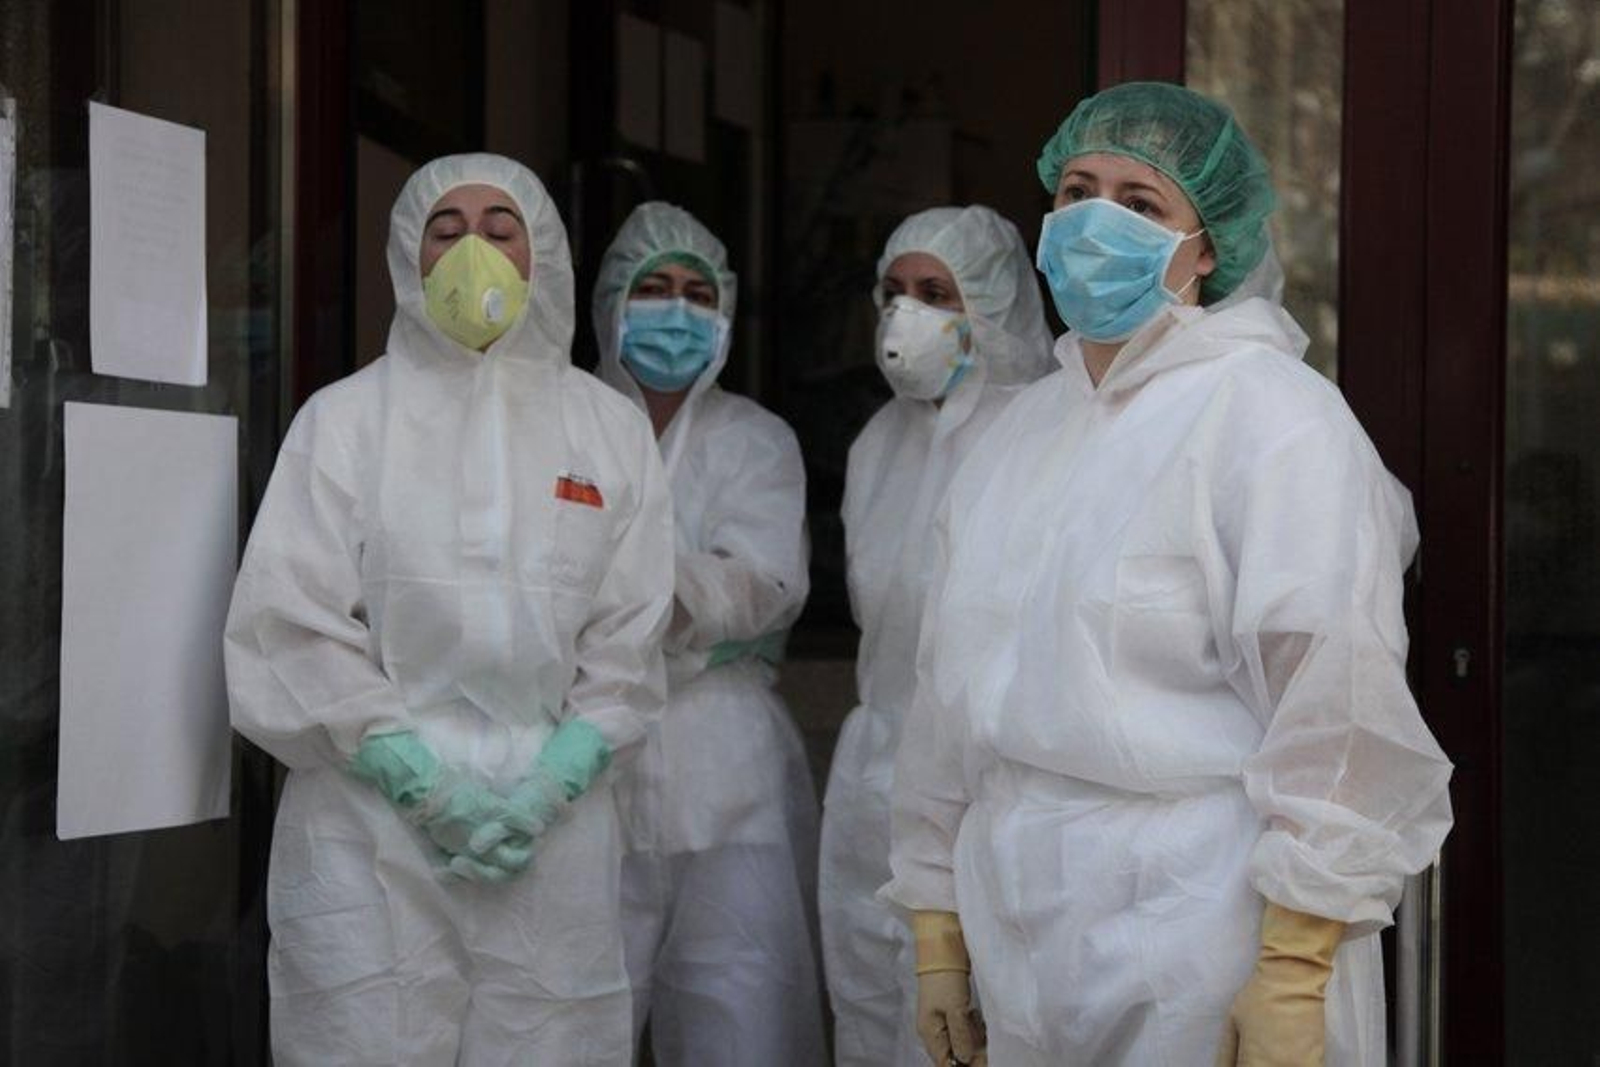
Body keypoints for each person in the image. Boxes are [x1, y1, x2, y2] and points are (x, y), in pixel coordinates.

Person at [883, 82, 1455, 1067]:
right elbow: (944, 699)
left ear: (1206, 248)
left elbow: (1338, 703)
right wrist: (936, 921)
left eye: (1140, 204)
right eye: (1073, 191)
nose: (1093, 219)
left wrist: (1292, 961)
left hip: (1202, 924)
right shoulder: (1017, 435)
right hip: (1015, 924)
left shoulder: (1272, 418)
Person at [225, 153, 674, 1065]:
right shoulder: (345, 421)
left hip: (552, 817)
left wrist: (558, 775)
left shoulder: (607, 429)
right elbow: (291, 617)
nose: (475, 250)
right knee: (362, 1033)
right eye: (448, 231)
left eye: (500, 230)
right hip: (369, 820)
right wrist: (413, 776)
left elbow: (630, 630)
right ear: (409, 258)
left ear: (539, 254)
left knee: (551, 1036)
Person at [820, 206, 1055, 1067]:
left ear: (989, 305)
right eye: (895, 291)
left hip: (987, 781)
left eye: (936, 292)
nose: (906, 314)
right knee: (872, 1005)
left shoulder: (1040, 429)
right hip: (876, 765)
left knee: (982, 1022)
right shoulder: (879, 443)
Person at [592, 201, 827, 1066]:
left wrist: (600, 593)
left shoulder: (755, 440)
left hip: (725, 761)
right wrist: (678, 592)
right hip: (580, 760)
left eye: (697, 291)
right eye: (654, 287)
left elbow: (758, 585)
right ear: (611, 300)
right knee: (576, 1016)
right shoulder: (566, 421)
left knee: (741, 1011)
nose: (676, 309)